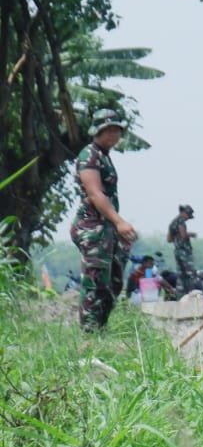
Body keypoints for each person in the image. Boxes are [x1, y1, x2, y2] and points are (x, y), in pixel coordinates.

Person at [70, 108, 138, 330]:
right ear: (97, 131)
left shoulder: (104, 156)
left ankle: (100, 328)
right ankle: (89, 333)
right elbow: (95, 193)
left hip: (106, 227)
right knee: (95, 281)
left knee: (114, 281)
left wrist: (117, 227)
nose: (113, 135)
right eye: (107, 130)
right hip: (91, 226)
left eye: (116, 131)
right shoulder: (89, 155)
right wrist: (119, 222)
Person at [167, 204, 199, 293]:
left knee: (181, 274)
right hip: (184, 251)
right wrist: (191, 234)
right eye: (188, 216)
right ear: (184, 213)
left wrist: (177, 238)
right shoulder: (181, 221)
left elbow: (169, 239)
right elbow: (183, 235)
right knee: (190, 272)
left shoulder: (172, 223)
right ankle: (193, 292)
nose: (188, 218)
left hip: (177, 251)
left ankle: (180, 294)